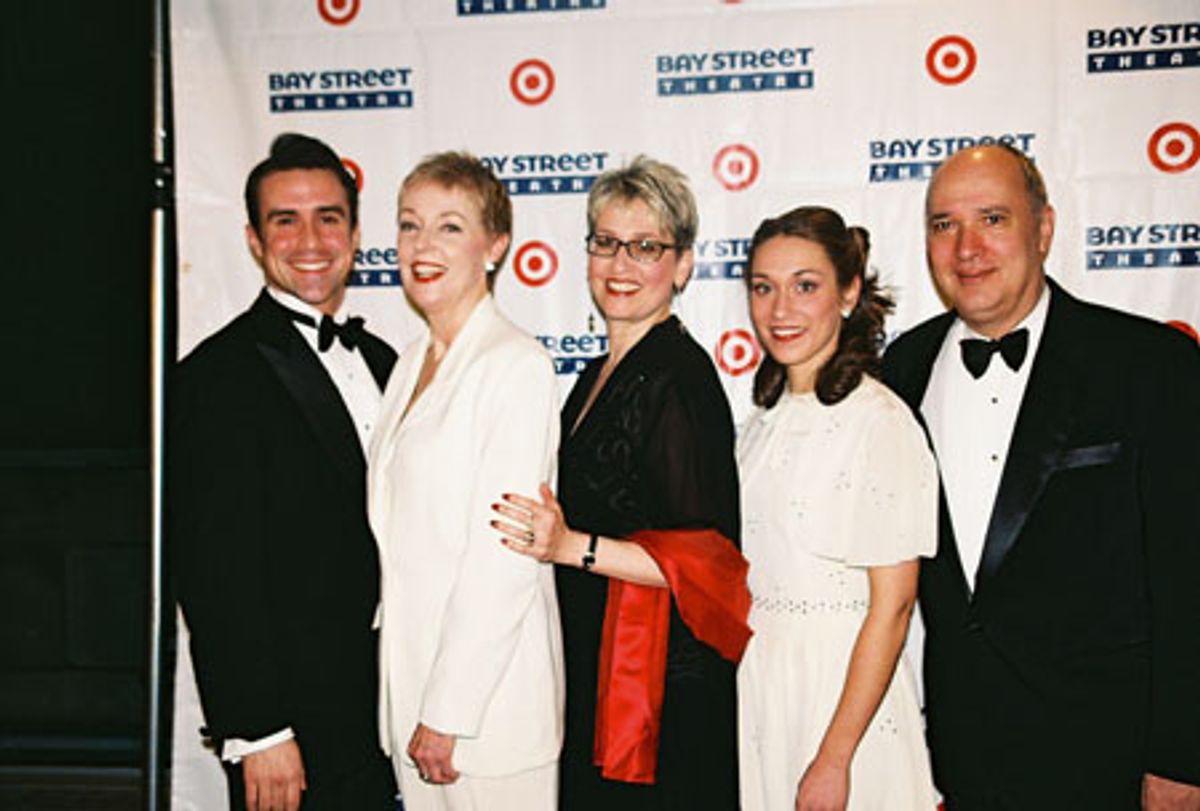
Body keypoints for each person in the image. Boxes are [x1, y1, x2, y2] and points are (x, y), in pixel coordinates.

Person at [883, 143, 1200, 810]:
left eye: (992, 219)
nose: (967, 248)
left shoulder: (1150, 365)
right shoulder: (901, 370)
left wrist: (1181, 756)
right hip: (960, 758)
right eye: (944, 225)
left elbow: (1187, 574)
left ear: (1044, 228)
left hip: (1110, 760)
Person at [491, 156, 750, 811]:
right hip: (600, 664)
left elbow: (704, 559)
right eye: (606, 242)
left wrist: (568, 546)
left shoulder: (678, 378)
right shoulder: (595, 374)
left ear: (682, 265)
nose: (620, 264)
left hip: (658, 692)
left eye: (646, 247)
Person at [171, 133, 398, 811]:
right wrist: (258, 727)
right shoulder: (217, 376)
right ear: (253, 238)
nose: (310, 241)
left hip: (387, 706)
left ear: (354, 234)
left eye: (328, 218)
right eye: (285, 221)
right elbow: (213, 570)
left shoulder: (387, 361)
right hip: (290, 723)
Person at [367, 152, 563, 809]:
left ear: (496, 245)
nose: (422, 245)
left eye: (450, 226)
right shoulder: (407, 365)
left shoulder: (516, 365)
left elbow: (503, 555)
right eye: (410, 224)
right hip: (412, 695)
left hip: (486, 714)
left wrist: (447, 709)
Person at [736, 206, 939, 811]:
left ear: (848, 293)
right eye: (763, 288)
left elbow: (893, 606)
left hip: (844, 702)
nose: (780, 310)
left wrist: (835, 757)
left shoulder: (881, 422)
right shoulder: (760, 421)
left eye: (805, 286)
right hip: (762, 686)